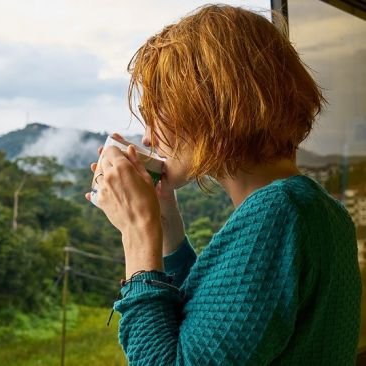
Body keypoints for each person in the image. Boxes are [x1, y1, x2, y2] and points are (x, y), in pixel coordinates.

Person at [85, 4, 361, 365]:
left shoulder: (279, 214)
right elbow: (211, 327)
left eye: (157, 116)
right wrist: (166, 222)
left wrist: (139, 235)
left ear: (205, 107)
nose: (150, 138)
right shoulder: (314, 208)